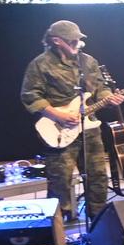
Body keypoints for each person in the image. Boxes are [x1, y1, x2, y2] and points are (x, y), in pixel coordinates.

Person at [19, 19, 114, 227]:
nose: (78, 44)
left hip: (89, 129)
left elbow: (100, 88)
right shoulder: (40, 64)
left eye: (80, 40)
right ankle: (57, 228)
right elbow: (30, 96)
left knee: (97, 176)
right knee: (60, 181)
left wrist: (109, 97)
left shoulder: (87, 62)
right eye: (73, 40)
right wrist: (58, 116)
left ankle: (99, 222)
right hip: (58, 129)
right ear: (56, 41)